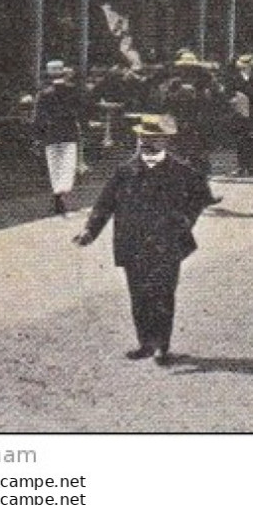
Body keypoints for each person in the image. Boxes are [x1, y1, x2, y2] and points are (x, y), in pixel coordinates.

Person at [73, 116, 215, 364]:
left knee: (163, 294)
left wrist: (185, 221)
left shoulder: (181, 170)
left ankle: (162, 346)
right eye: (143, 138)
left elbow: (201, 196)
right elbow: (105, 203)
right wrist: (90, 231)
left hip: (167, 244)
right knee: (138, 295)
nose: (146, 143)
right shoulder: (125, 171)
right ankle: (145, 343)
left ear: (165, 141)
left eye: (153, 138)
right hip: (133, 243)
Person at [32, 59, 88, 217]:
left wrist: (37, 135)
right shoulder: (73, 90)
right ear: (64, 73)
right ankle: (63, 194)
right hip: (69, 131)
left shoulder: (43, 93)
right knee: (67, 165)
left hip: (51, 133)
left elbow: (38, 117)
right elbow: (81, 112)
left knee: (54, 165)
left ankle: (57, 194)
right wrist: (84, 128)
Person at [225, 53, 253, 177]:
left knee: (251, 140)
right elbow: (228, 94)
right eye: (244, 66)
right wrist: (233, 100)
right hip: (239, 113)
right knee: (240, 140)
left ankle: (251, 167)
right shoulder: (233, 78)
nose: (246, 68)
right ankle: (241, 167)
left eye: (248, 66)